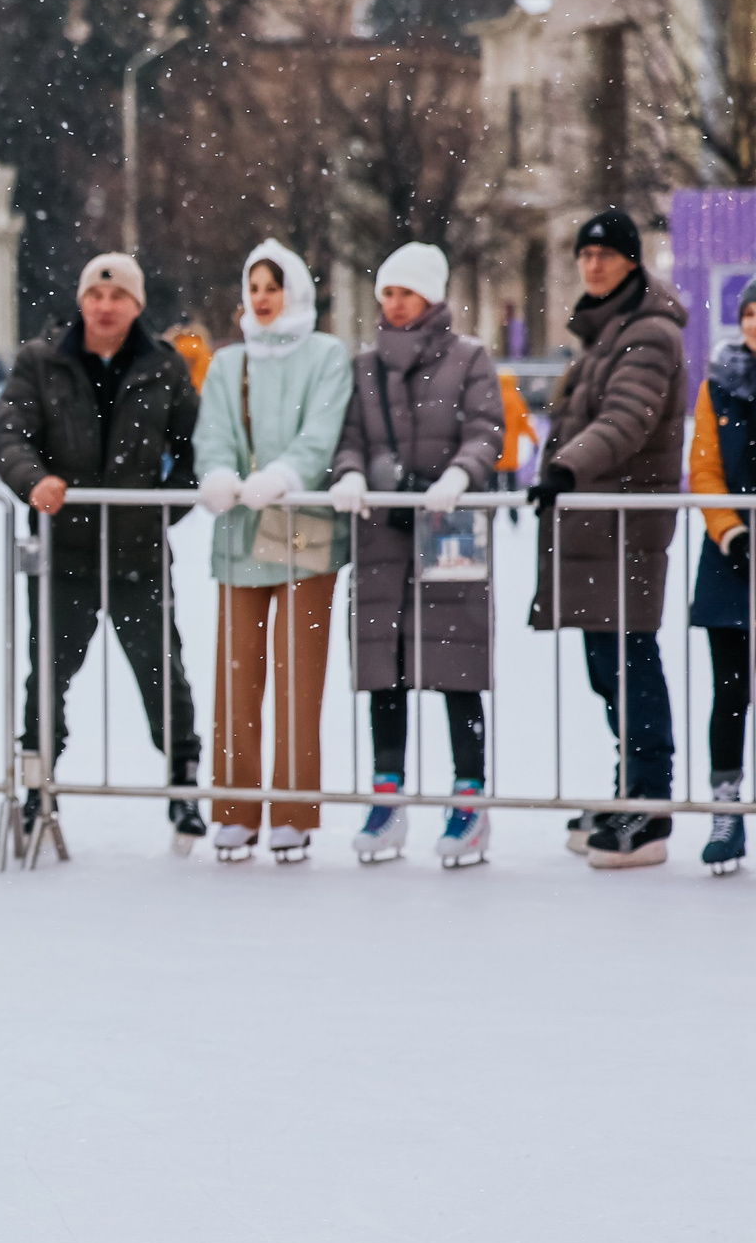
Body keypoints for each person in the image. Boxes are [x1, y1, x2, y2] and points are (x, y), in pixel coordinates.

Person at [0, 252, 204, 850]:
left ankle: (183, 780)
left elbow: (195, 451)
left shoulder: (163, 366)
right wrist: (34, 480)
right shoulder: (42, 361)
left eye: (118, 297)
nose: (105, 306)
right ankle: (37, 782)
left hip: (138, 552)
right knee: (47, 678)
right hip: (66, 554)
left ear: (136, 305)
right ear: (81, 300)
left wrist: (164, 505)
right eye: (96, 295)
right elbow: (8, 434)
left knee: (162, 672)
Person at [326, 243, 503, 868]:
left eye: (403, 292)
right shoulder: (364, 365)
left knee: (458, 664)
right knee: (385, 668)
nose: (393, 303)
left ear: (429, 296)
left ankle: (469, 798)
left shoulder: (470, 358)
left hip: (447, 528)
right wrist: (349, 474)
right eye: (386, 294)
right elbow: (347, 437)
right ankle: (387, 794)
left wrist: (460, 474)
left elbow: (487, 429)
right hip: (384, 536)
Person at [531, 206, 689, 869]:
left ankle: (650, 805)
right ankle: (629, 788)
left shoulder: (649, 334)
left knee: (631, 664)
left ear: (632, 261)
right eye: (585, 255)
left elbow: (626, 420)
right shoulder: (606, 333)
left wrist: (567, 465)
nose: (592, 265)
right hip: (599, 526)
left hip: (625, 525)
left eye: (606, 254)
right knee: (610, 667)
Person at [194, 240, 353, 864]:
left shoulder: (325, 355)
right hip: (240, 532)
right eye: (253, 286)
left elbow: (323, 430)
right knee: (236, 676)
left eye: (273, 285)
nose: (261, 298)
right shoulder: (228, 363)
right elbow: (213, 434)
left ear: (296, 291)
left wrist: (286, 475)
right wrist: (216, 475)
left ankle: (292, 810)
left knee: (298, 675)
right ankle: (233, 809)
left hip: (304, 526)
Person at [688, 290, 756, 873]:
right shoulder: (719, 385)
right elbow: (705, 467)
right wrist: (731, 532)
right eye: (750, 314)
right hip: (729, 555)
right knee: (730, 691)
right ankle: (726, 808)